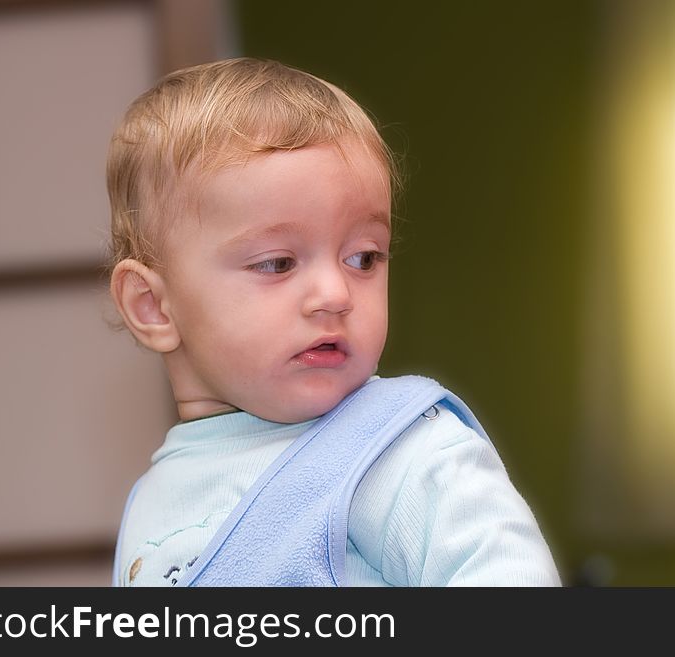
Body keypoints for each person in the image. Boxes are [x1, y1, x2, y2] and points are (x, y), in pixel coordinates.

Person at [107, 57, 560, 587]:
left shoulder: (395, 453)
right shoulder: (155, 500)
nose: (335, 294)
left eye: (363, 258)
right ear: (153, 307)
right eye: (278, 263)